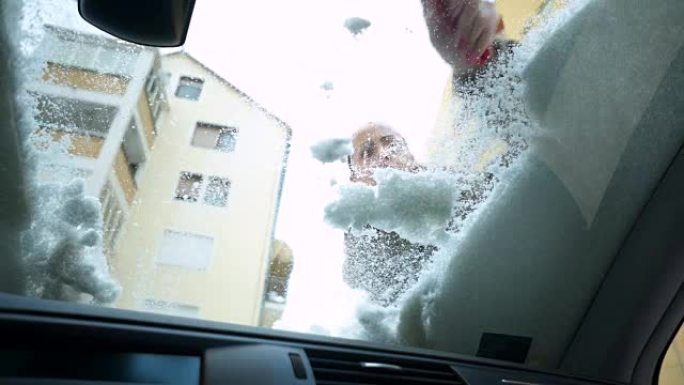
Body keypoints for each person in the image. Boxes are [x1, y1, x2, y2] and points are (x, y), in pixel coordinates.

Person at [343, 123, 438, 307]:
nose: (384, 154)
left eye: (392, 144)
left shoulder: (458, 189)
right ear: (356, 179)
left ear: (410, 156)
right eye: (367, 154)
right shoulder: (361, 235)